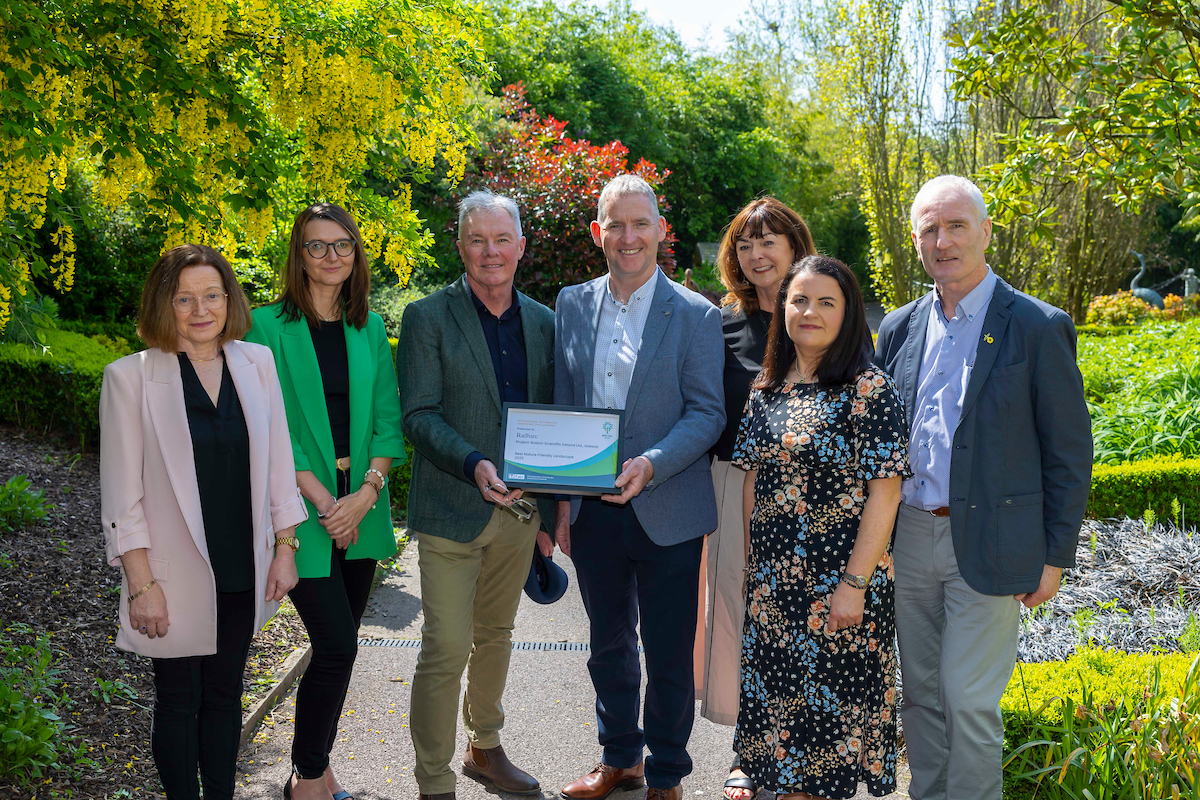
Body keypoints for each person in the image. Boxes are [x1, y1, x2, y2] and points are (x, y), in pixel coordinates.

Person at [875, 175, 1092, 800]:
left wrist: (1054, 556)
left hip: (993, 539)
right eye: (929, 230)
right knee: (919, 693)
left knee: (968, 697)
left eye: (955, 226)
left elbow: (1068, 454)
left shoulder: (1036, 326)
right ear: (916, 240)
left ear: (986, 231)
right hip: (910, 535)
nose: (942, 241)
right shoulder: (898, 328)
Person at [99, 244, 307, 799]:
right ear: (162, 305)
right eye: (184, 298)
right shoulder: (130, 379)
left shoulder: (256, 364)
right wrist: (141, 586)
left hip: (243, 562)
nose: (200, 310)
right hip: (170, 576)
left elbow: (279, 466)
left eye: (211, 295)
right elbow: (122, 499)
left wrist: (286, 548)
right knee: (178, 700)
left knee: (224, 694)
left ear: (228, 299)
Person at [555, 174, 725, 800]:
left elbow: (707, 412)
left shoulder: (696, 314)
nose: (630, 237)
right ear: (599, 234)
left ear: (660, 231)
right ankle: (619, 758)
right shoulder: (571, 305)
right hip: (595, 511)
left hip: (669, 506)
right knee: (608, 644)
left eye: (641, 224)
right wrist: (563, 505)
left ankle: (667, 775)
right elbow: (566, 404)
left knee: (669, 652)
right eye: (616, 225)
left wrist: (653, 462)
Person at [397, 190, 556, 800]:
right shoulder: (428, 317)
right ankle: (434, 781)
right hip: (451, 508)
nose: (491, 251)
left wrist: (549, 506)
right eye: (477, 239)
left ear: (520, 245)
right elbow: (419, 413)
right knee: (444, 647)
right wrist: (473, 462)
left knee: (497, 634)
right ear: (460, 246)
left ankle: (484, 748)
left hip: (518, 513)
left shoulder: (544, 322)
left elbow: (553, 418)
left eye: (502, 239)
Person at [730, 254, 908, 800]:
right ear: (782, 307)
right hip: (775, 587)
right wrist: (752, 568)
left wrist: (853, 585)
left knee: (827, 720)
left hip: (839, 585)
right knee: (781, 706)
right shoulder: (767, 387)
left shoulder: (868, 389)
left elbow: (886, 489)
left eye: (826, 302)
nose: (810, 311)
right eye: (799, 299)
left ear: (848, 312)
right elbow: (751, 480)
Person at [245, 202, 406, 800]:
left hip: (360, 509)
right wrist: (321, 500)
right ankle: (308, 778)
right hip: (300, 508)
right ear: (299, 255)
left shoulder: (368, 328)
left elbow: (388, 422)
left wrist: (364, 494)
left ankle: (316, 770)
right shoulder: (265, 327)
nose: (332, 256)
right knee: (337, 646)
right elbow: (268, 425)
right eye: (318, 246)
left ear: (356, 253)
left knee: (337, 649)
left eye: (343, 245)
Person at [695, 197, 816, 800]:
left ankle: (802, 751)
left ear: (796, 246)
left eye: (769, 241)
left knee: (802, 622)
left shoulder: (825, 313)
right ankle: (750, 752)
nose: (756, 253)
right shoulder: (720, 323)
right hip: (734, 486)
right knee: (743, 619)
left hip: (813, 496)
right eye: (745, 243)